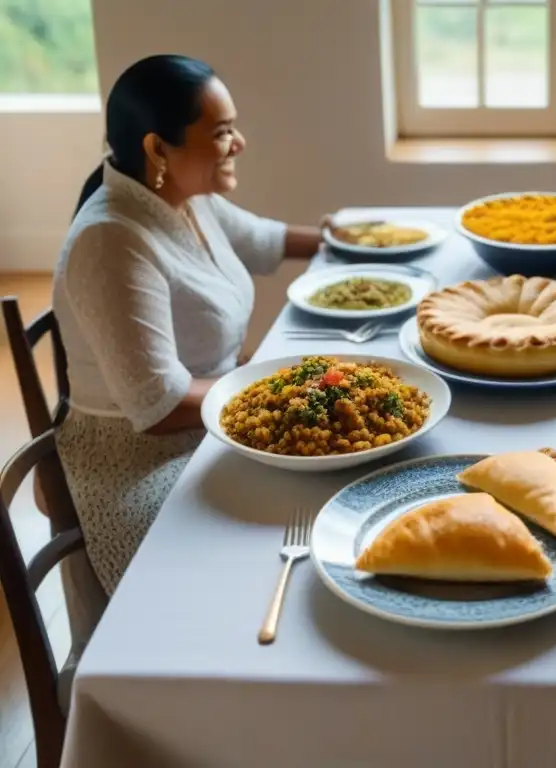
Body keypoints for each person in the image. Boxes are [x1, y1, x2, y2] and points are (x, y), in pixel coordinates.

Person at [52, 54, 326, 639]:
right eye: (223, 133)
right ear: (158, 148)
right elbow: (155, 409)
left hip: (211, 420)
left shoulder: (183, 194)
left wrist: (357, 239)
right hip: (138, 462)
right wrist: (272, 384)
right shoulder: (111, 240)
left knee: (322, 497)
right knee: (273, 556)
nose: (239, 143)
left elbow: (264, 240)